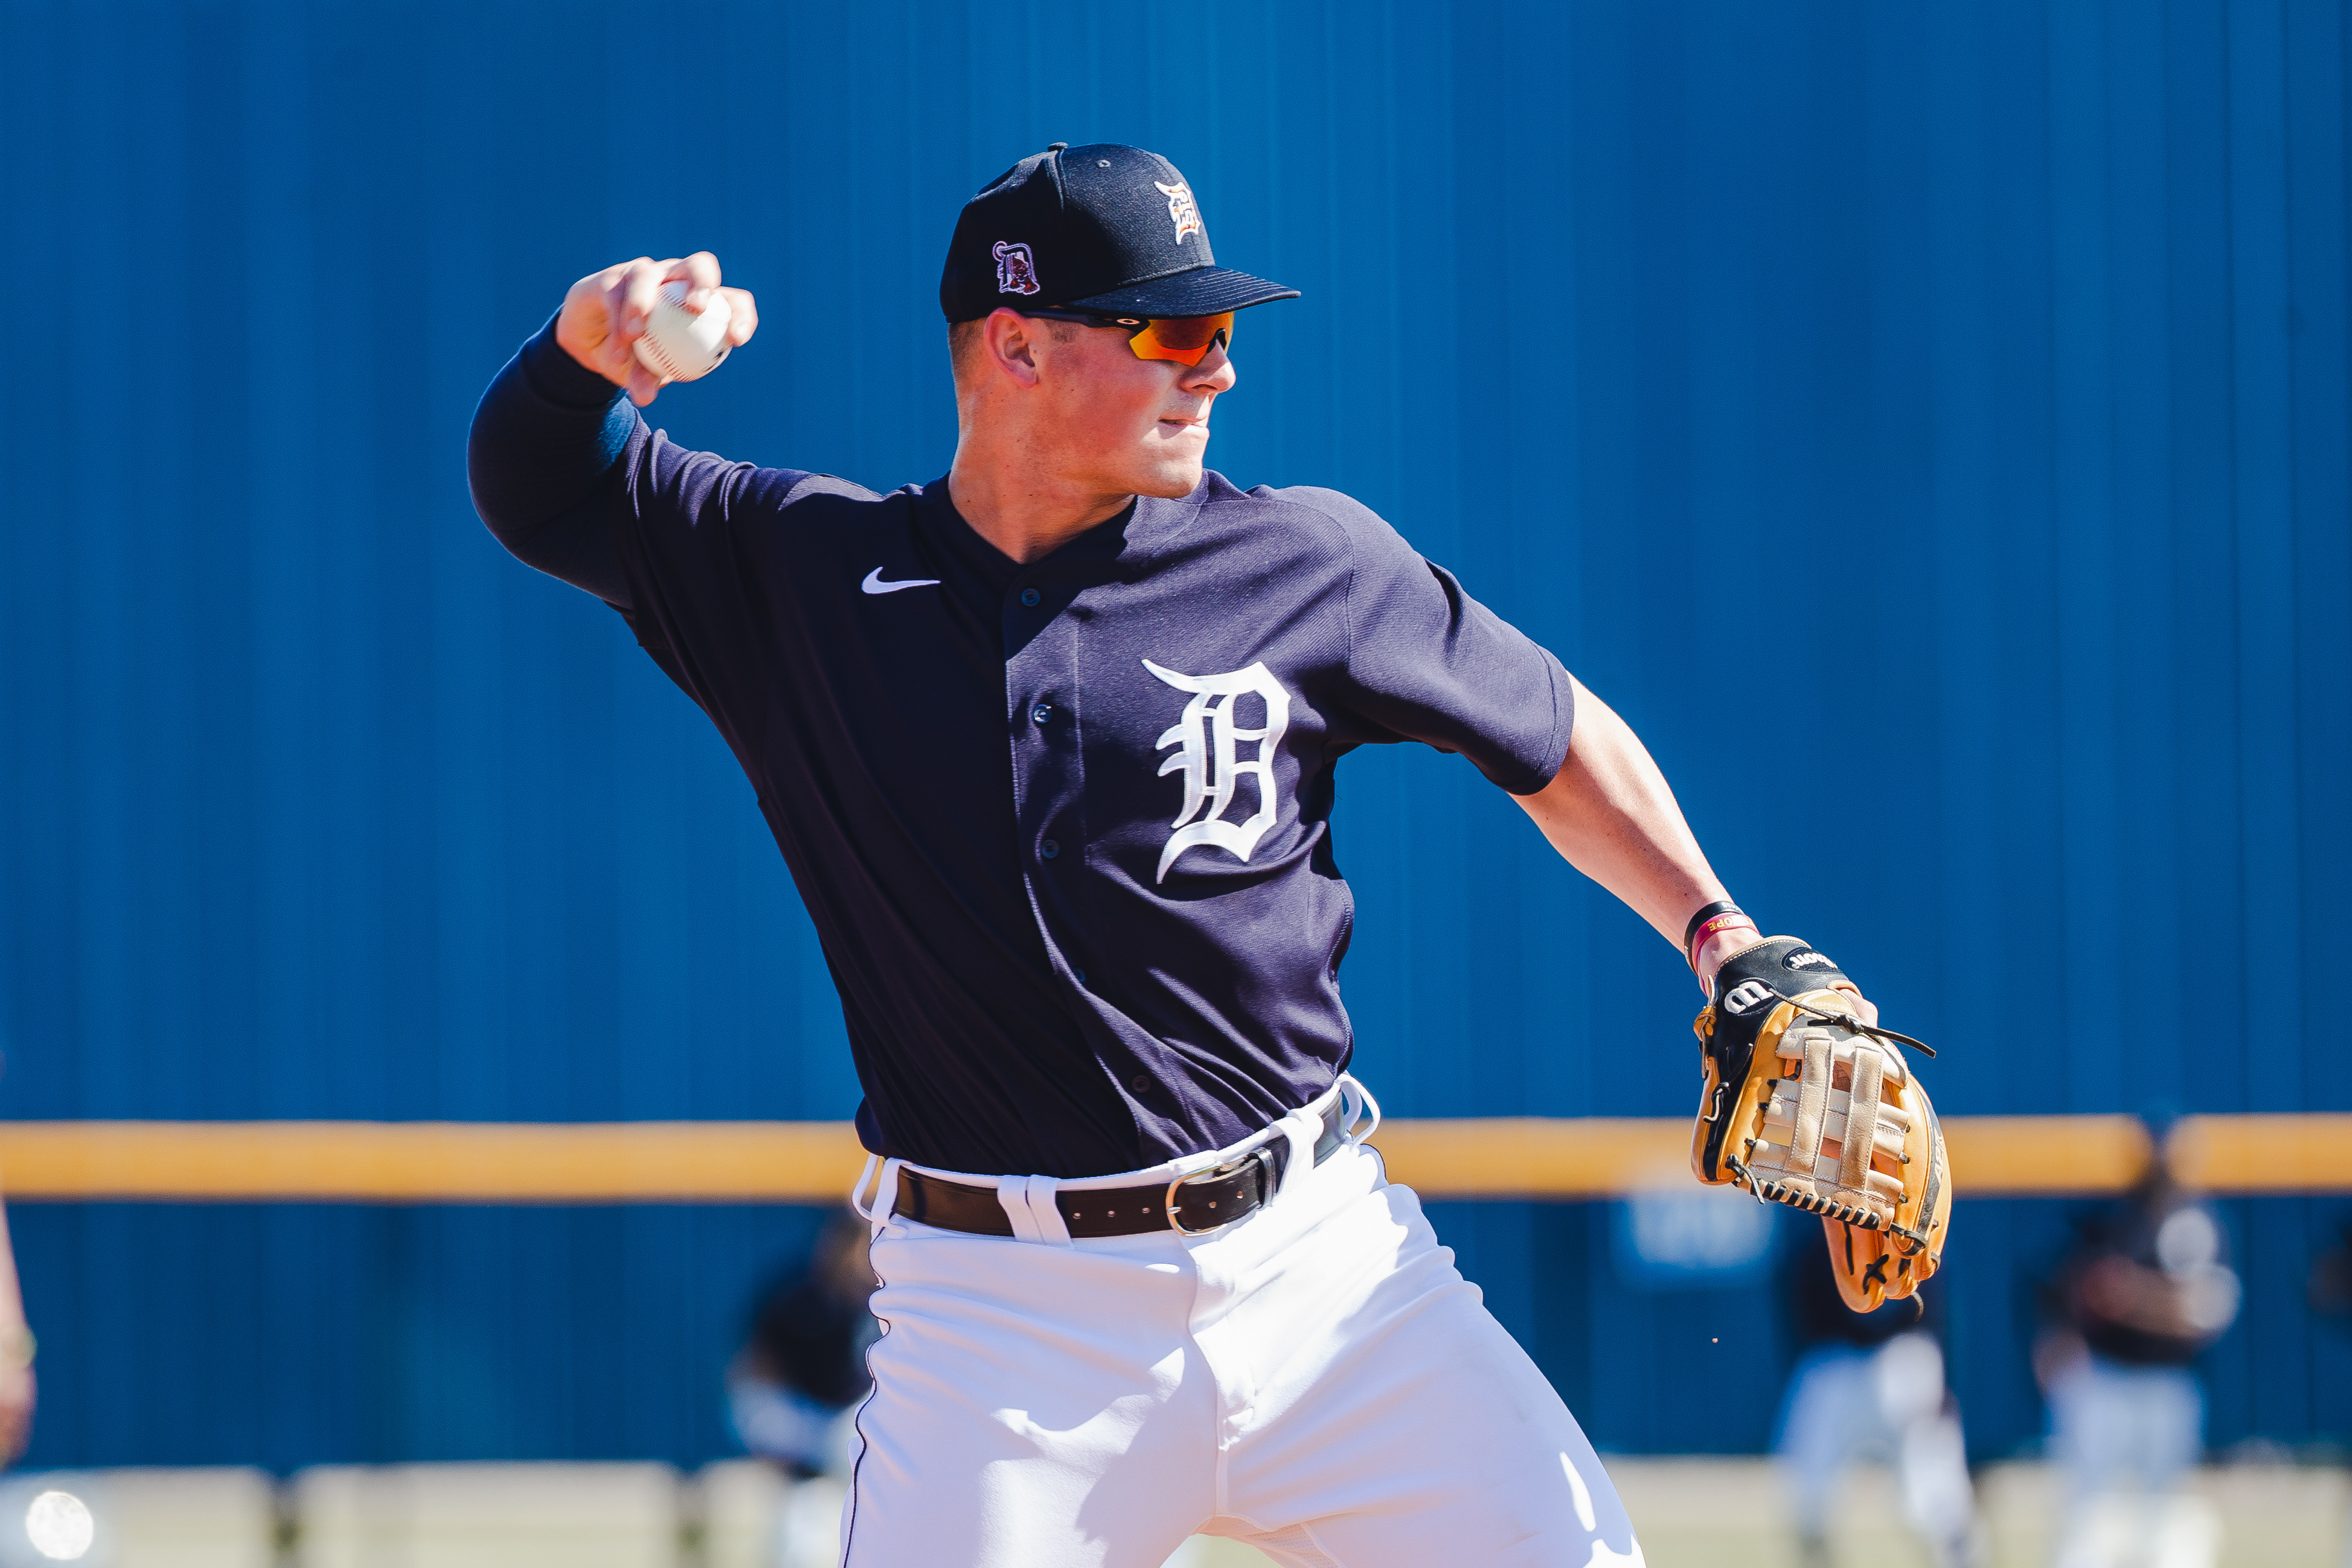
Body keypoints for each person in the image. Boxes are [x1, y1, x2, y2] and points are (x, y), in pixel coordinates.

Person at [469, 141, 1886, 1567]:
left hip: (1325, 1278)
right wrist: (586, 354)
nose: (1216, 369)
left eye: (1220, 331)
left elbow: (1556, 733)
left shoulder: (1307, 565)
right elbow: (541, 489)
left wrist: (1721, 935)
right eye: (1175, 330)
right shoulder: (806, 579)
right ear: (1015, 347)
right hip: (1003, 1332)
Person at [2034, 1147, 2239, 1568]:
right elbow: (2066, 1286)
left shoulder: (2197, 1224)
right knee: (2083, 1515)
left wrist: (2136, 1296)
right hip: (2106, 1375)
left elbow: (2208, 1309)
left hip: (2168, 1380)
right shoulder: (2110, 1221)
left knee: (2161, 1517)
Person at [1772, 1230, 1976, 1567]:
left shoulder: (1912, 1227)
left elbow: (1942, 1305)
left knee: (1936, 1501)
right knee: (1806, 1500)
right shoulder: (1813, 1240)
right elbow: (1795, 1304)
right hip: (1835, 1362)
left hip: (1904, 1358)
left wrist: (1947, 1383)